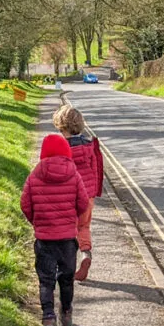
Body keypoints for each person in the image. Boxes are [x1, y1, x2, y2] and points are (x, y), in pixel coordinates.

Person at [21, 133, 90, 326]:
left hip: (44, 240)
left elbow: (25, 204)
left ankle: (48, 318)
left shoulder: (35, 175)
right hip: (68, 239)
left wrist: (37, 222)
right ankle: (67, 312)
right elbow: (83, 203)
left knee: (46, 280)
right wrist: (72, 220)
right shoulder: (74, 174)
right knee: (66, 278)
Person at [51, 104, 103, 281]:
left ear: (61, 126)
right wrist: (93, 193)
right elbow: (96, 172)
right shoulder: (90, 146)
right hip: (87, 197)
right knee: (84, 227)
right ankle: (86, 255)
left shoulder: (60, 148)